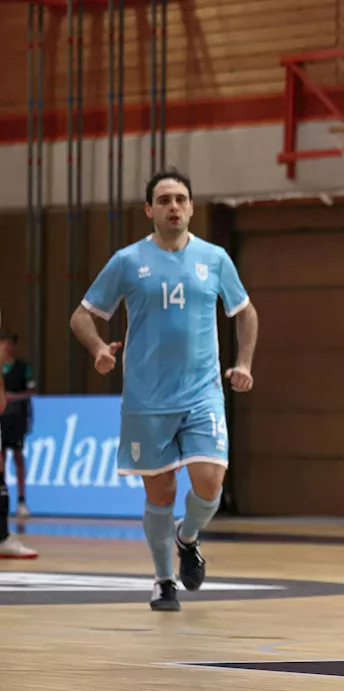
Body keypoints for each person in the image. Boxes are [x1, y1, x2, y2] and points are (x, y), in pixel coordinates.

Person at [71, 168, 259, 611]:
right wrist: (99, 348)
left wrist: (245, 362)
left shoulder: (214, 259)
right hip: (146, 399)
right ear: (149, 209)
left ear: (191, 207)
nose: (173, 206)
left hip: (202, 394)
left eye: (180, 198)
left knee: (210, 484)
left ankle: (187, 537)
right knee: (161, 494)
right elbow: (82, 315)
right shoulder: (127, 260)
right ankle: (163, 580)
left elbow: (246, 313)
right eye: (164, 199)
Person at [1, 329, 36, 520]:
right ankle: (3, 500)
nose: (6, 347)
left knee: (17, 456)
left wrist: (14, 398)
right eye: (3, 342)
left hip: (16, 419)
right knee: (1, 460)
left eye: (9, 343)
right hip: (1, 418)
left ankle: (22, 501)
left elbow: (32, 390)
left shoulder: (23, 367)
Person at [0, 372, 36, 559]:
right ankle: (2, 537)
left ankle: (2, 536)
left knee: (7, 462)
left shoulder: (21, 367)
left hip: (13, 421)